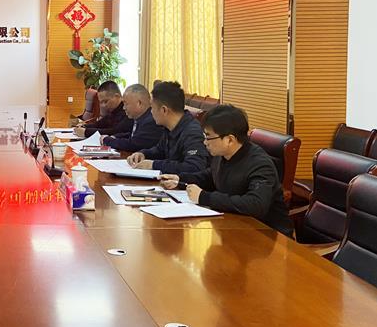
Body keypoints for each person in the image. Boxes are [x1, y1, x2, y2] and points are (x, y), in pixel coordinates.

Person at [160, 105, 293, 236]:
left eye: (208, 137)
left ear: (229, 140)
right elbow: (211, 176)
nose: (205, 142)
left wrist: (204, 197)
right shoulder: (222, 154)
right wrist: (180, 179)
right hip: (235, 226)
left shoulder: (260, 164)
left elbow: (256, 204)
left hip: (268, 236)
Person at [127, 81, 209, 173]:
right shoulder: (169, 127)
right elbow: (159, 150)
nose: (151, 112)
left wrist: (154, 165)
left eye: (152, 108)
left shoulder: (192, 132)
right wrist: (143, 154)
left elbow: (194, 167)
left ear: (164, 110)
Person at [102, 84, 165, 153]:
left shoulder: (151, 121)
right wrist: (115, 136)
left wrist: (107, 140)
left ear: (139, 103)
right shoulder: (141, 118)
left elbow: (133, 144)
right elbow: (134, 135)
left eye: (126, 104)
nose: (124, 108)